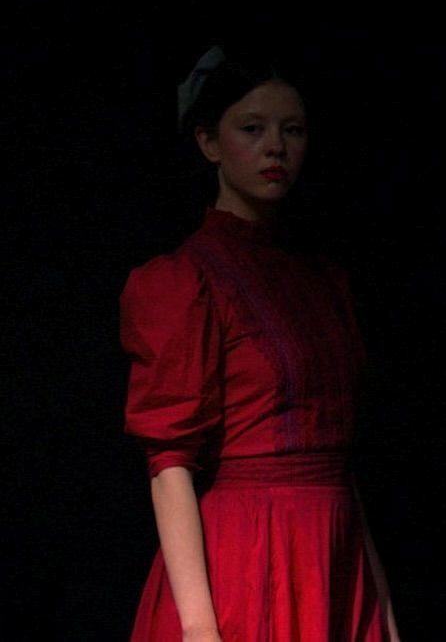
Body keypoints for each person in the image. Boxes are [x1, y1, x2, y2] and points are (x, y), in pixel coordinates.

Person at [119, 44, 402, 641]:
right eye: (252, 128)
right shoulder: (185, 280)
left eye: (292, 130)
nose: (275, 146)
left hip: (335, 558)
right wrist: (200, 629)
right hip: (244, 560)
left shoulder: (324, 282)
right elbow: (169, 464)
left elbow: (339, 463)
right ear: (209, 143)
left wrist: (383, 610)